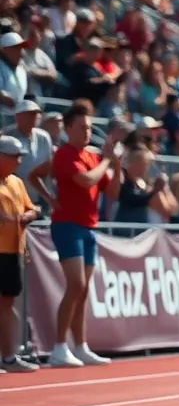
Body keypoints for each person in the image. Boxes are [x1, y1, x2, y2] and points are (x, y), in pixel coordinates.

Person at [27, 99, 125, 368]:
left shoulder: (93, 157)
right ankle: (59, 347)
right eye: (81, 127)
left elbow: (113, 192)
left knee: (82, 290)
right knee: (76, 285)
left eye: (89, 127)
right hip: (67, 226)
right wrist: (49, 198)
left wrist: (115, 165)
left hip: (89, 227)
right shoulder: (65, 155)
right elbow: (86, 181)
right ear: (68, 128)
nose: (86, 132)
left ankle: (79, 346)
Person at [0, 135, 39, 373]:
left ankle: (8, 356)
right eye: (14, 156)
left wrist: (29, 216)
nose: (18, 161)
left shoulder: (16, 182)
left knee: (7, 302)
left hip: (12, 249)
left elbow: (32, 207)